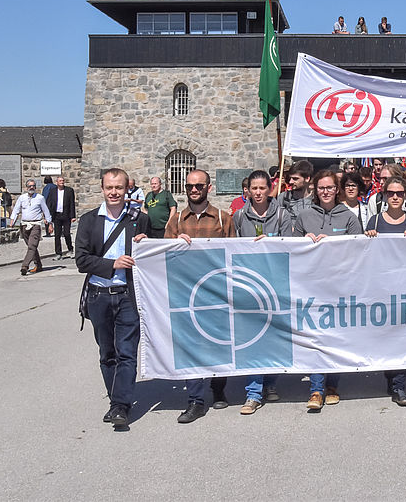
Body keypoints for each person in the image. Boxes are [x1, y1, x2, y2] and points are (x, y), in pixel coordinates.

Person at [75, 168, 151, 429]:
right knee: (107, 353)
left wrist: (147, 242)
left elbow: (151, 252)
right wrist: (113, 264)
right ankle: (115, 399)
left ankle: (120, 406)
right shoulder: (88, 221)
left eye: (119, 187)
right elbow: (82, 260)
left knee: (127, 352)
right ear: (102, 189)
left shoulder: (138, 219)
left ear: (126, 189)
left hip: (128, 296)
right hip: (98, 295)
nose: (114, 192)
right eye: (110, 188)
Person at [164, 169, 236, 423]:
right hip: (186, 294)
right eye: (190, 186)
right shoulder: (176, 222)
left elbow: (234, 254)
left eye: (199, 186)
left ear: (209, 187)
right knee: (191, 346)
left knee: (217, 343)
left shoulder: (223, 219)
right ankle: (195, 400)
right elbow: (164, 257)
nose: (194, 190)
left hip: (216, 294)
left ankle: (218, 388)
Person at [294, 170, 364, 411]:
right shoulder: (304, 217)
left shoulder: (349, 217)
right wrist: (304, 241)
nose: (325, 192)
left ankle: (332, 385)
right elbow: (289, 249)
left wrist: (335, 244)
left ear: (338, 190)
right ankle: (315, 388)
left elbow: (359, 251)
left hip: (339, 286)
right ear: (315, 189)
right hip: (311, 286)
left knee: (334, 338)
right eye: (321, 188)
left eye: (330, 188)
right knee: (316, 338)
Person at [364, 175, 406, 406]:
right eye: (391, 193)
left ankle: (399, 385)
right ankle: (391, 375)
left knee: (402, 336)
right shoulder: (375, 222)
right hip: (382, 287)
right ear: (384, 195)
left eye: (400, 193)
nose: (396, 197)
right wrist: (369, 238)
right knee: (386, 336)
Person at [233, 170, 283, 414]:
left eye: (263, 188)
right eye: (254, 188)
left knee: (272, 339)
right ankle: (253, 393)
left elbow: (291, 248)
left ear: (270, 189)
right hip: (250, 287)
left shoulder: (283, 215)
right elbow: (231, 248)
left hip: (276, 286)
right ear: (248, 191)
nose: (259, 192)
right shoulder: (239, 216)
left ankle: (270, 383)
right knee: (253, 341)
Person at [10, 179, 53, 275]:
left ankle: (24, 266)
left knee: (32, 246)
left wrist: (49, 223)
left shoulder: (40, 198)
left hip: (35, 225)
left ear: (35, 187)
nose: (31, 187)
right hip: (24, 225)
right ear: (26, 187)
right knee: (32, 247)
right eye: (29, 186)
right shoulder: (22, 198)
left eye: (33, 186)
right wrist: (13, 220)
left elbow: (46, 211)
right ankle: (39, 265)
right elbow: (16, 209)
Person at [278, 160, 315, 235]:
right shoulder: (283, 197)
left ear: (307, 178)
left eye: (295, 179)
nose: (291, 182)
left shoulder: (316, 200)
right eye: (290, 178)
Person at [45, 175, 76, 259]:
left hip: (66, 215)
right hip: (56, 215)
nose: (62, 182)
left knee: (66, 233)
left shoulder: (69, 191)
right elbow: (50, 204)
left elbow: (72, 204)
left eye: (63, 181)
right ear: (57, 182)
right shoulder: (52, 191)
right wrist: (48, 216)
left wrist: (73, 216)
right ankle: (58, 253)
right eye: (60, 181)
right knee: (57, 235)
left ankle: (70, 249)